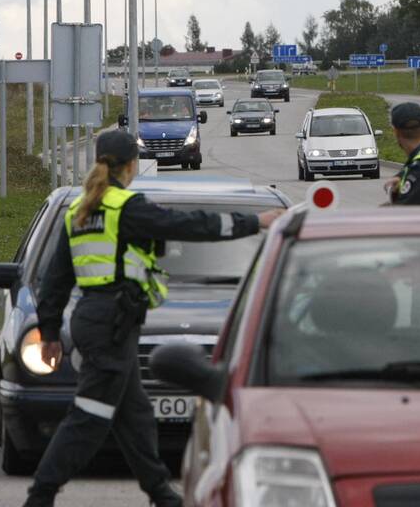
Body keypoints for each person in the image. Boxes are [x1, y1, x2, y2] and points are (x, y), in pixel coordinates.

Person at [22, 131, 284, 507]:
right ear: (131, 165)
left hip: (97, 318)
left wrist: (49, 333)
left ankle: (161, 494)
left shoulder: (80, 209)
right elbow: (189, 226)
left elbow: (56, 281)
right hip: (111, 322)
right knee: (90, 415)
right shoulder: (127, 207)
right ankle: (39, 497)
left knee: (135, 413)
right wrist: (254, 222)